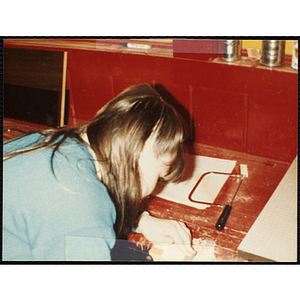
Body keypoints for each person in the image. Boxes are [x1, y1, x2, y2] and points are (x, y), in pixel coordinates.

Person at [3, 83, 196, 261]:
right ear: (140, 150)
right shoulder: (80, 209)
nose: (155, 187)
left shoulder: (51, 141)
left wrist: (140, 220)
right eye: (160, 176)